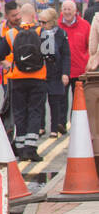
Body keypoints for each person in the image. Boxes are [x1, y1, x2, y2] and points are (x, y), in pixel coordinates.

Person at [0, 1, 47, 161]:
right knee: (35, 111)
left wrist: (8, 64)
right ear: (34, 15)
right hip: (38, 78)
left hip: (17, 78)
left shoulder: (11, 33)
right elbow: (52, 55)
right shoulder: (42, 31)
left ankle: (21, 148)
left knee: (20, 112)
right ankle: (31, 148)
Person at [38, 7, 71, 136]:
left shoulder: (61, 34)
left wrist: (65, 73)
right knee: (40, 101)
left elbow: (66, 55)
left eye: (44, 22)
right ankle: (40, 127)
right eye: (40, 22)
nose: (41, 25)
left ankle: (54, 129)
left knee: (55, 102)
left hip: (56, 72)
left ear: (52, 22)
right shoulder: (38, 32)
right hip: (41, 72)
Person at [58, 0, 91, 128]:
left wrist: (88, 61)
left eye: (69, 9)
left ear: (75, 10)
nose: (67, 12)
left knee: (78, 99)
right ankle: (61, 123)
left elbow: (90, 45)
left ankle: (75, 123)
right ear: (61, 11)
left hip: (80, 69)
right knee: (62, 99)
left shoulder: (84, 25)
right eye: (64, 9)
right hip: (63, 70)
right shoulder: (57, 26)